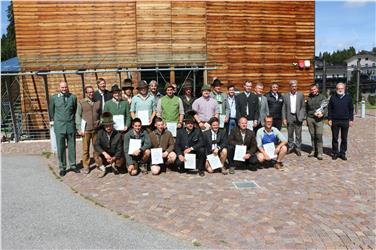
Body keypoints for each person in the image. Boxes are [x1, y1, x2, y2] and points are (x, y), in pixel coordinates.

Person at [49, 81, 79, 177]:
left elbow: (74, 110)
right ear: (59, 88)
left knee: (72, 146)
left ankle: (73, 165)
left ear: (68, 87)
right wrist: (55, 122)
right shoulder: (54, 98)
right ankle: (62, 167)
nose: (64, 89)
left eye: (65, 87)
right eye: (62, 87)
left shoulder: (73, 97)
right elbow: (51, 111)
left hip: (70, 125)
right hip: (59, 126)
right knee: (60, 147)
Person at [75, 86, 101, 174]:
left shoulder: (97, 102)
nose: (91, 93)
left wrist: (99, 123)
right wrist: (79, 128)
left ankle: (98, 164)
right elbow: (78, 116)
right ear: (86, 93)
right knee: (85, 150)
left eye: (92, 92)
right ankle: (86, 166)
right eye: (89, 92)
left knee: (97, 149)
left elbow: (100, 114)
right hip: (85, 130)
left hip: (96, 129)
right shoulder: (81, 103)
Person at [328, 82, 354, 161]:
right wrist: (329, 119)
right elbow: (330, 109)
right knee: (335, 138)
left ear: (344, 89)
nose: (340, 90)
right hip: (335, 121)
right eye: (338, 88)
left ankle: (342, 153)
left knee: (344, 138)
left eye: (341, 88)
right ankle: (335, 152)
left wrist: (351, 120)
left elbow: (351, 109)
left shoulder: (348, 98)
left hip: (345, 121)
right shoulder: (333, 97)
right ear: (336, 89)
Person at [94, 112, 124, 178]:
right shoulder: (100, 133)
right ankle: (103, 169)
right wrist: (104, 153)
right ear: (104, 126)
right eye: (106, 126)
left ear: (112, 125)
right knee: (96, 154)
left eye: (110, 125)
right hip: (105, 155)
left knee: (120, 162)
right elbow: (96, 145)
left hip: (114, 155)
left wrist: (113, 158)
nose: (108, 127)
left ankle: (114, 165)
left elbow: (119, 150)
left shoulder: (118, 135)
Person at [282, 80, 305, 156]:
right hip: (289, 116)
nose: (294, 88)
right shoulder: (286, 96)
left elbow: (303, 107)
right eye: (292, 86)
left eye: (295, 86)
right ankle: (291, 147)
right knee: (290, 134)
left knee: (298, 134)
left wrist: (301, 117)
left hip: (298, 116)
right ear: (290, 87)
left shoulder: (300, 95)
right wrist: (284, 118)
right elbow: (284, 108)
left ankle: (298, 148)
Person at [306, 84, 327, 160]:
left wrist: (322, 114)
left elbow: (325, 108)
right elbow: (306, 108)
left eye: (314, 89)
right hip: (310, 118)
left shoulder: (322, 97)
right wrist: (306, 118)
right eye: (311, 90)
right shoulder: (308, 98)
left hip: (319, 119)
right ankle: (314, 150)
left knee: (319, 136)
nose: (313, 91)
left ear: (317, 89)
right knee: (312, 136)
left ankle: (320, 152)